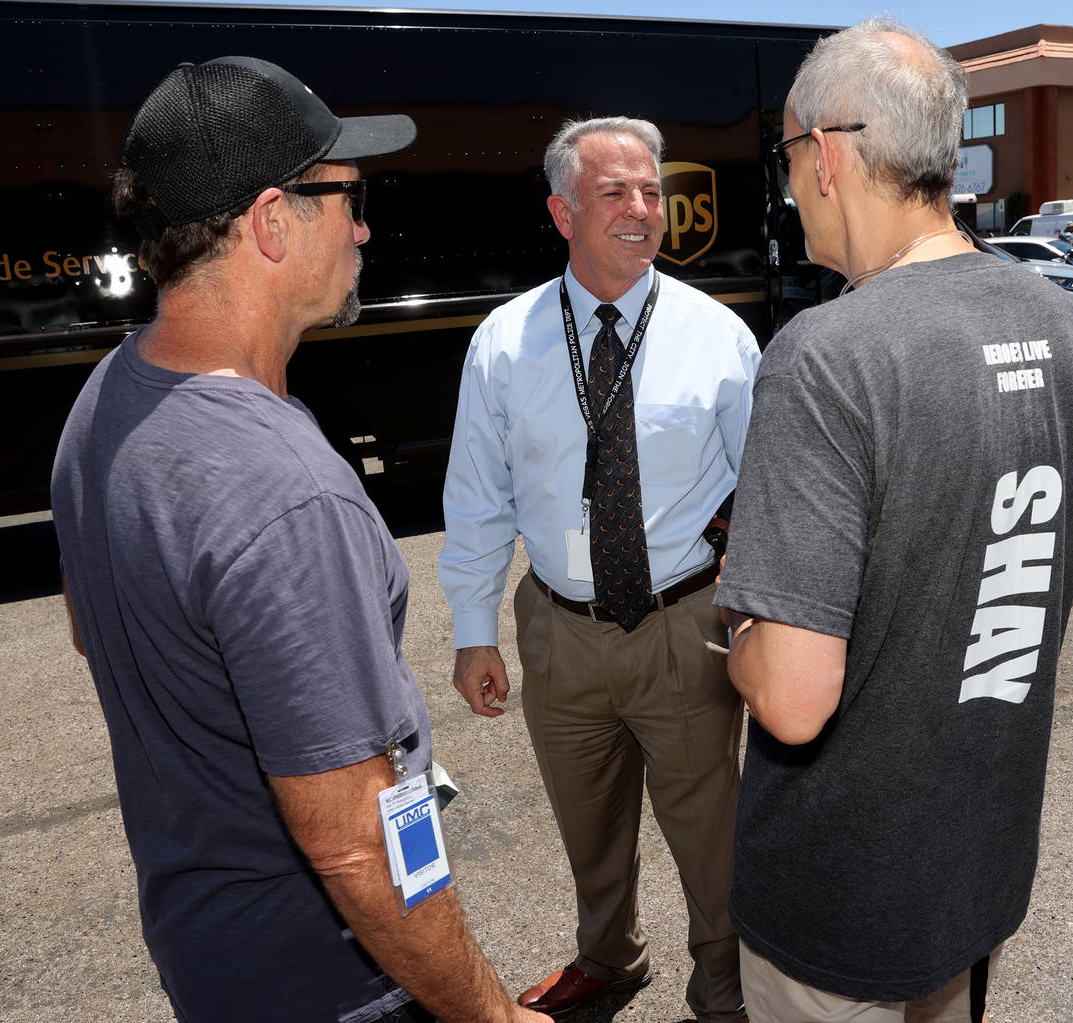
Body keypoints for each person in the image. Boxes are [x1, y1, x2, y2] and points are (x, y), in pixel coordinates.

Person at [51, 56, 550, 1023]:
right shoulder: (282, 490)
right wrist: (490, 1014)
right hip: (337, 983)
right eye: (349, 196)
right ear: (274, 220)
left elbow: (90, 626)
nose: (364, 226)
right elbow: (358, 845)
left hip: (209, 949)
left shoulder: (107, 397)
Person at [714, 18, 1073, 1023]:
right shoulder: (1055, 320)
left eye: (786, 156)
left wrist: (739, 625)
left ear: (825, 151)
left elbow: (792, 701)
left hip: (839, 901)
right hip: (978, 865)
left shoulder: (828, 353)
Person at [439, 116, 759, 1022]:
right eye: (614, 192)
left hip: (683, 623)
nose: (641, 210)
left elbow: (764, 485)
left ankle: (725, 981)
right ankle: (609, 957)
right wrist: (475, 633)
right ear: (562, 211)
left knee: (710, 832)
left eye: (652, 192)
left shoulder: (717, 337)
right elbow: (477, 499)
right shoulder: (505, 342)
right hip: (560, 629)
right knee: (588, 825)